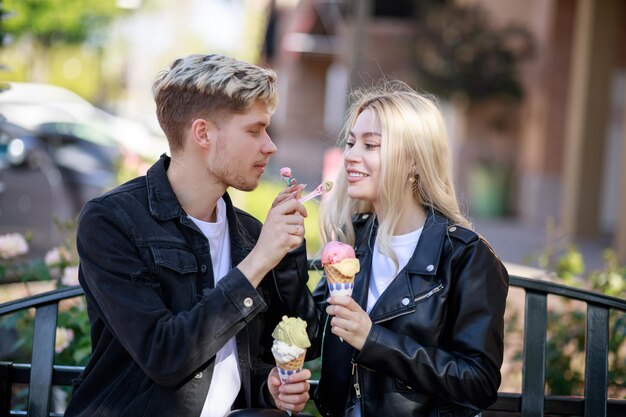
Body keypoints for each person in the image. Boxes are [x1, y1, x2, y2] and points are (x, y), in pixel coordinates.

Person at [65, 54, 317, 417]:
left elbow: (275, 346)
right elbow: (165, 354)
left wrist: (270, 388)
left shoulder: (248, 232)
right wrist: (258, 261)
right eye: (253, 130)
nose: (269, 146)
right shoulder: (112, 221)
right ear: (202, 133)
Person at [312, 80, 509, 417]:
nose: (350, 156)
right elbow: (310, 332)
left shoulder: (465, 256)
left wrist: (373, 341)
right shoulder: (355, 241)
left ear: (414, 163)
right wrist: (284, 254)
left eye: (371, 145)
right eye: (350, 142)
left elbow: (478, 381)